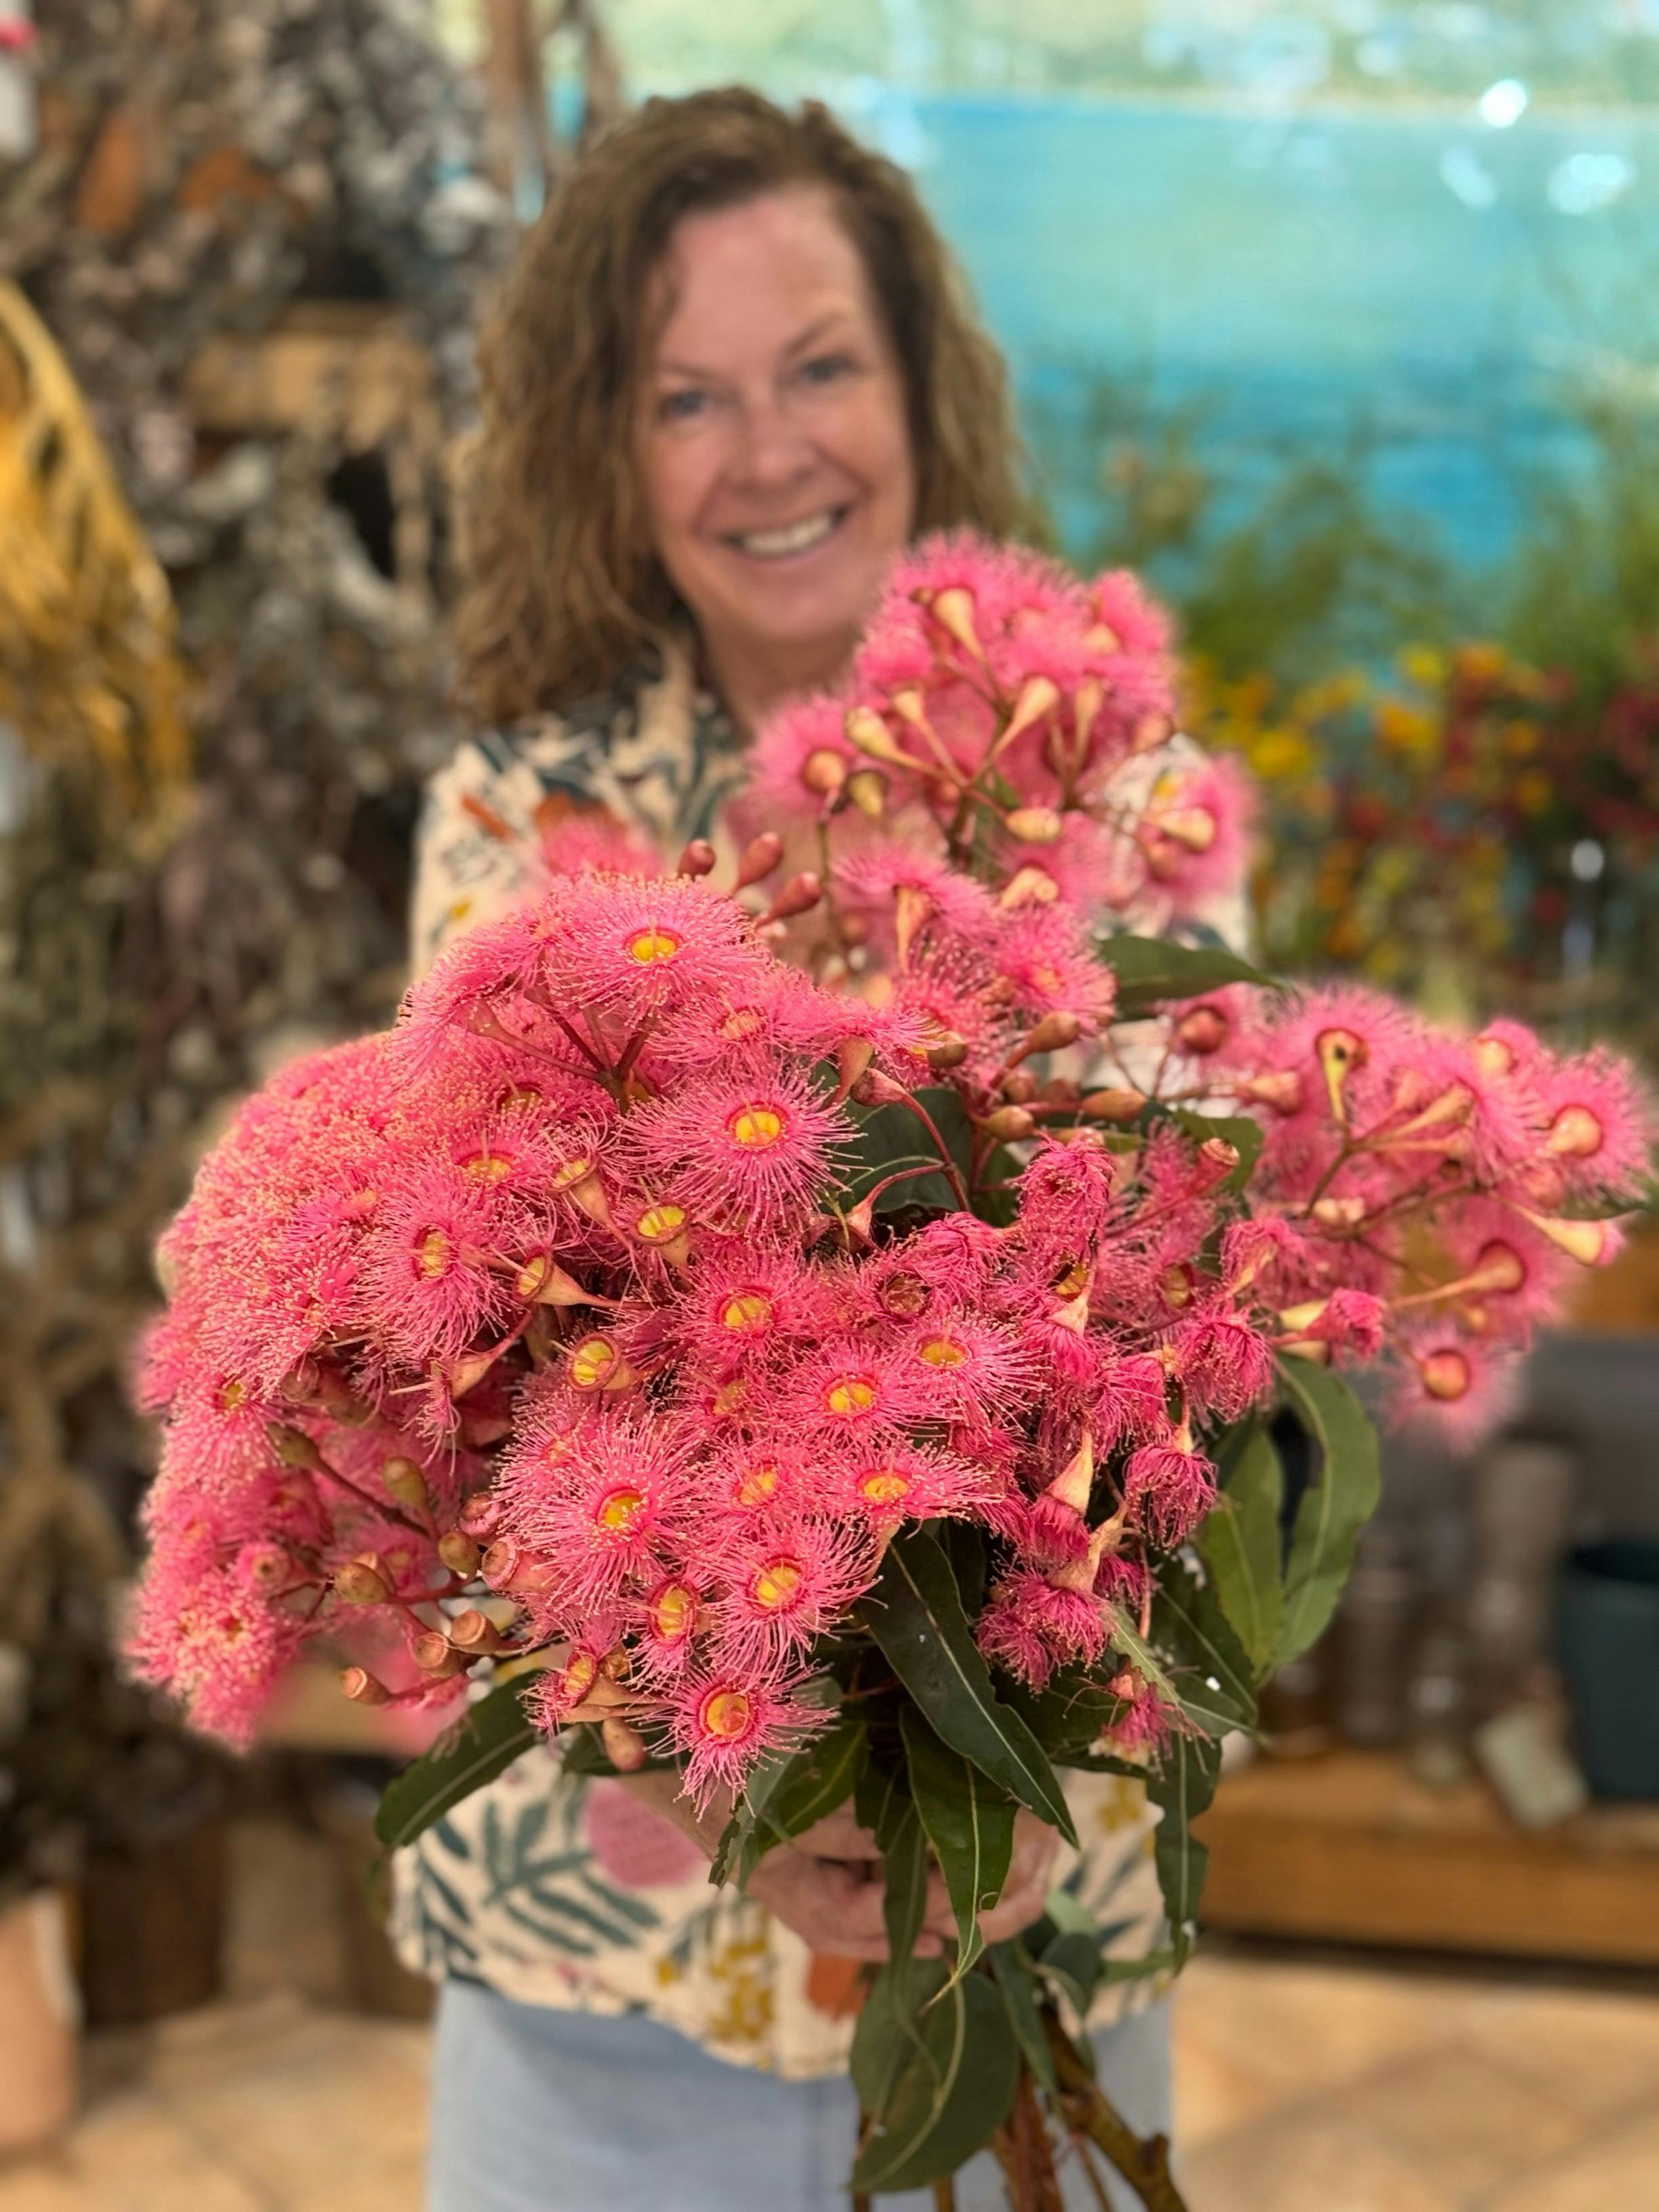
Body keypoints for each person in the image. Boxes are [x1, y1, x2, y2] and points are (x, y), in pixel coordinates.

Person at [401, 87, 1183, 2212]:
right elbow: (470, 1366)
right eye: (688, 397)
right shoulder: (525, 821)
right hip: (605, 1974)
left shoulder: (1105, 788)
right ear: (606, 449)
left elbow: (1205, 1338)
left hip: (1028, 1914)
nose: (768, 453)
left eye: (820, 367)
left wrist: (1012, 1739)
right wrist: (718, 1747)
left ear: (920, 389)